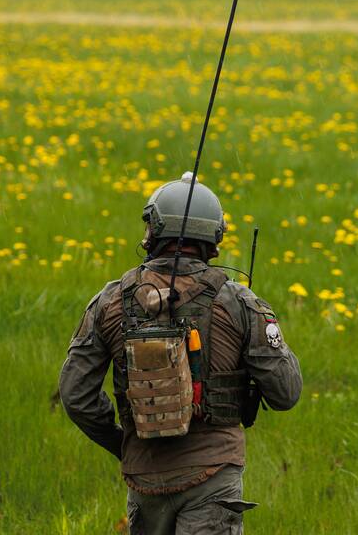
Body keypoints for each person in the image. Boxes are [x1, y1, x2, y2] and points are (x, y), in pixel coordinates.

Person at [59, 172, 302, 534]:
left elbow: (75, 395)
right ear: (214, 239)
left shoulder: (110, 301)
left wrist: (124, 444)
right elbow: (286, 393)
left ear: (152, 232)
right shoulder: (238, 302)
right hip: (214, 477)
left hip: (144, 479)